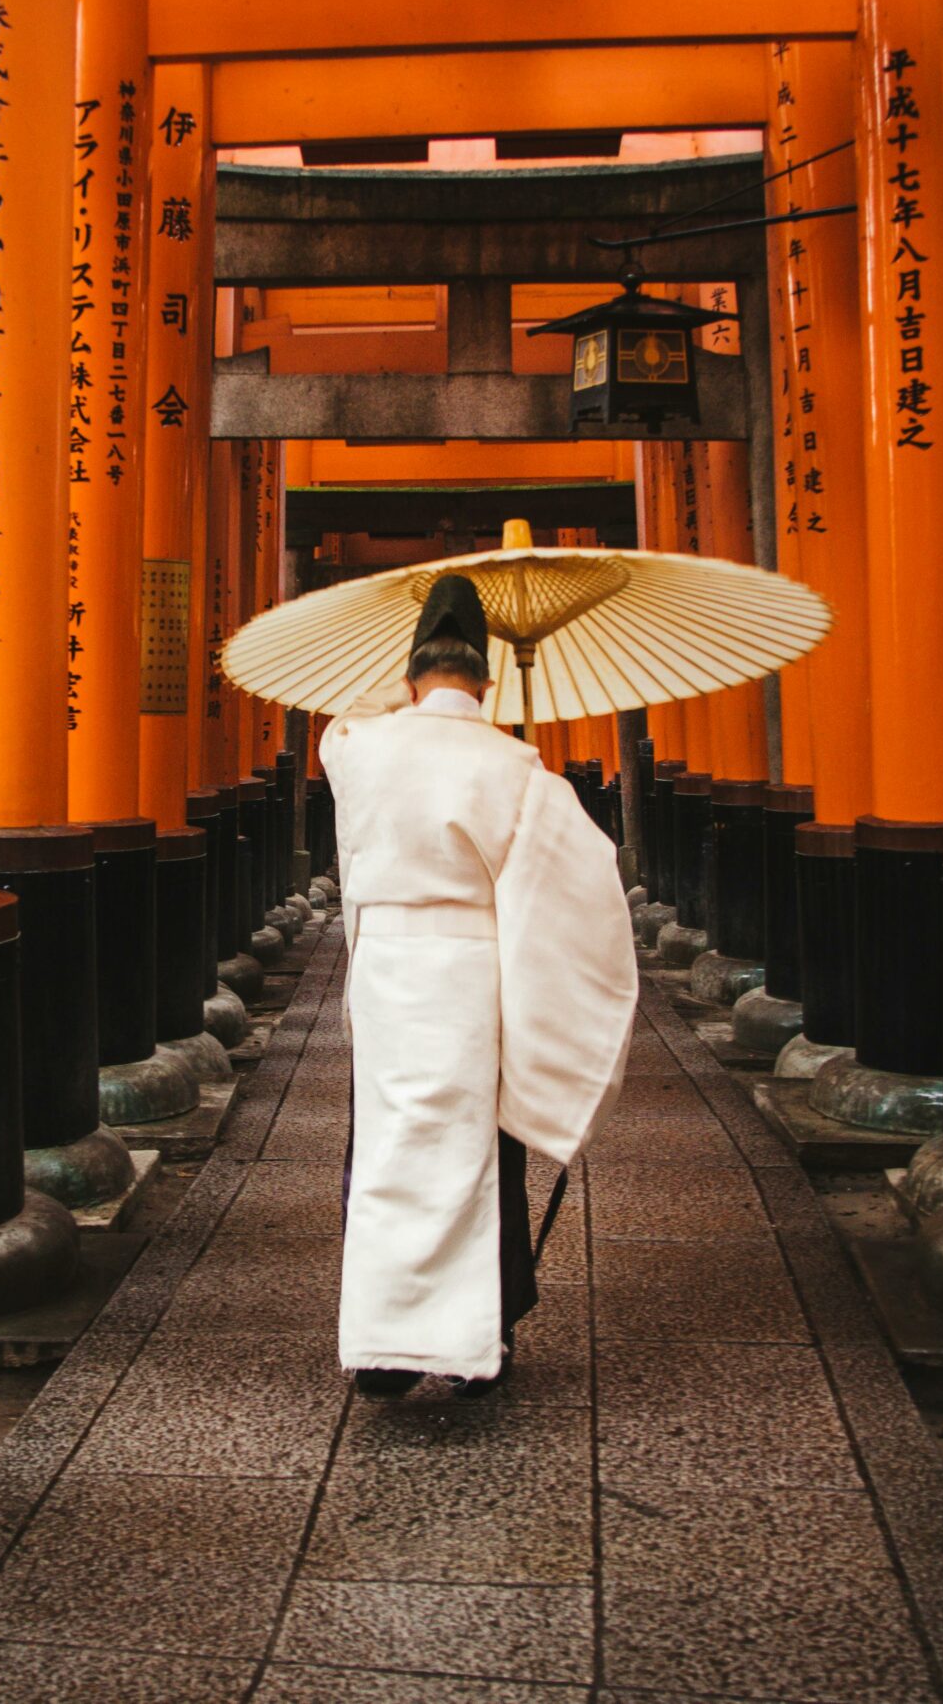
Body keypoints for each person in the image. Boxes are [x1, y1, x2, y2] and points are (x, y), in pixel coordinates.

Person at [319, 573, 637, 1399]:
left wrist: (403, 691)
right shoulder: (517, 766)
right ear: (489, 681)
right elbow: (579, 881)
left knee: (387, 1149)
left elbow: (344, 723)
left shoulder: (357, 746)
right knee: (481, 1150)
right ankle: (478, 1339)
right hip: (470, 974)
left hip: (388, 976)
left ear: (410, 674)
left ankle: (383, 1349)